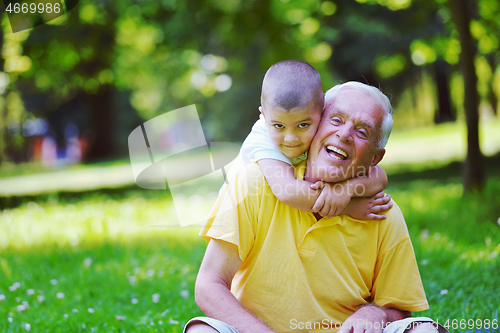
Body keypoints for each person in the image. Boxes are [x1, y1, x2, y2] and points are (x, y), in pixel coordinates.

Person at [184, 82, 447, 333]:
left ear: (375, 158)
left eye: (362, 132)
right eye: (336, 120)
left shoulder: (381, 211)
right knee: (202, 329)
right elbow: (209, 286)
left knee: (423, 329)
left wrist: (376, 313)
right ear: (315, 124)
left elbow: (400, 310)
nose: (344, 134)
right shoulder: (255, 182)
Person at [224, 60, 389, 219]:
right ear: (265, 116)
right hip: (236, 215)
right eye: (279, 126)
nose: (290, 138)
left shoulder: (316, 126)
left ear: (321, 112)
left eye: (302, 125)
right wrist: (350, 207)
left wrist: (346, 189)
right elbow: (288, 191)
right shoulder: (263, 138)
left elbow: (379, 177)